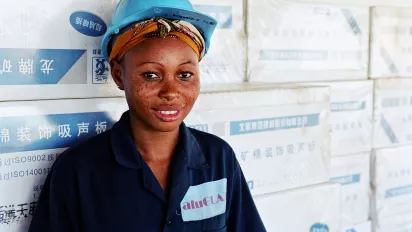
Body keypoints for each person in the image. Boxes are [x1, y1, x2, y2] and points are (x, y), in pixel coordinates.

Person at [28, 0, 266, 231]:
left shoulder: (218, 158)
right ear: (119, 75)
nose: (171, 92)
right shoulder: (78, 170)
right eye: (151, 75)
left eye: (184, 74)